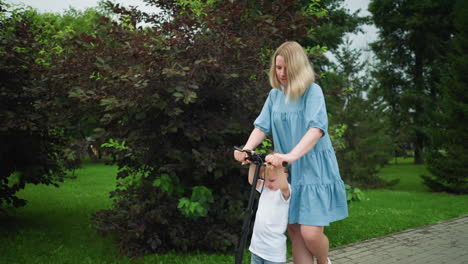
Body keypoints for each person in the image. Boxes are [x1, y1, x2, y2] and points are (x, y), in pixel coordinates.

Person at [234, 41, 348, 264]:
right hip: (288, 170)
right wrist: (247, 148)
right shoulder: (275, 95)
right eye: (278, 67)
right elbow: (261, 126)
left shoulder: (312, 92)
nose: (282, 73)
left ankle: (324, 261)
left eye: (287, 68)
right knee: (295, 232)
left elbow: (316, 129)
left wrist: (291, 155)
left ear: (299, 67)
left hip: (313, 168)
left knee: (310, 233)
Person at [248, 162, 291, 264]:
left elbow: (284, 186)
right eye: (265, 180)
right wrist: (253, 163)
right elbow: (252, 180)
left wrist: (279, 166)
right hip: (256, 248)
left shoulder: (284, 192)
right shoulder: (265, 188)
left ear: (284, 176)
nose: (267, 184)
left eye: (271, 180)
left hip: (273, 254)